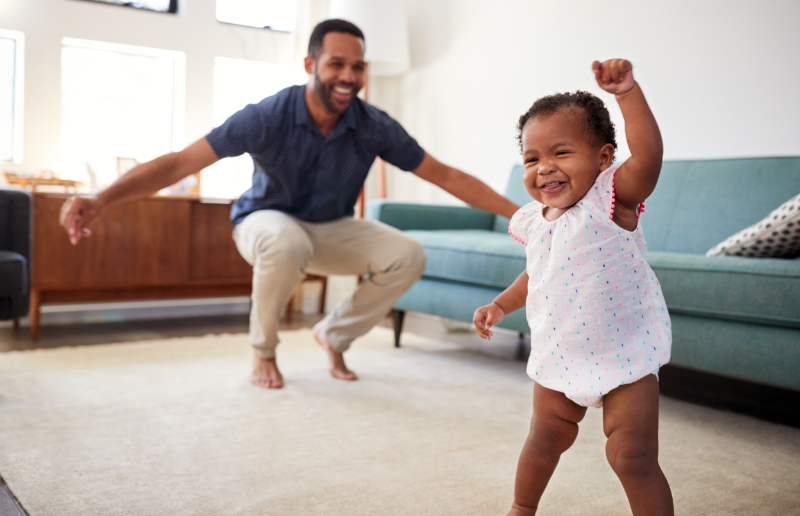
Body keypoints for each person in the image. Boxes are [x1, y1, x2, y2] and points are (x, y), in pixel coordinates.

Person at [59, 19, 518, 390]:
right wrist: (101, 198)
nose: (349, 77)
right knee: (284, 240)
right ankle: (263, 350)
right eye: (337, 63)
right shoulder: (267, 115)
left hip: (331, 227)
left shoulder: (373, 124)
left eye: (358, 67)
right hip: (264, 222)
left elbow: (445, 175)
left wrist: (519, 214)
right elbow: (181, 162)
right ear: (310, 63)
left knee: (408, 254)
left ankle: (333, 334)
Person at [473, 59, 673, 515]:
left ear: (603, 159)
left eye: (561, 153)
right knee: (544, 438)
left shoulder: (610, 201)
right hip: (560, 351)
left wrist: (627, 94)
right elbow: (538, 274)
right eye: (532, 158)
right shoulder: (534, 221)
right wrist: (501, 306)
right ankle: (522, 508)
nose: (544, 168)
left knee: (632, 456)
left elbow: (649, 158)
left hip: (624, 353)